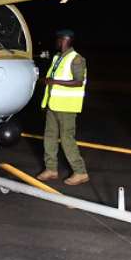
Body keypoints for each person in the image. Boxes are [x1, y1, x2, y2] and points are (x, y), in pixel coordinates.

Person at [36, 29, 89, 186]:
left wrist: (54, 82)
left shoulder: (76, 59)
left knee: (67, 140)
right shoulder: (57, 57)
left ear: (64, 39)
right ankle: (51, 169)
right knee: (50, 137)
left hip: (67, 107)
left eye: (58, 39)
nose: (56, 42)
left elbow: (78, 81)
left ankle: (80, 172)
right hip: (53, 104)